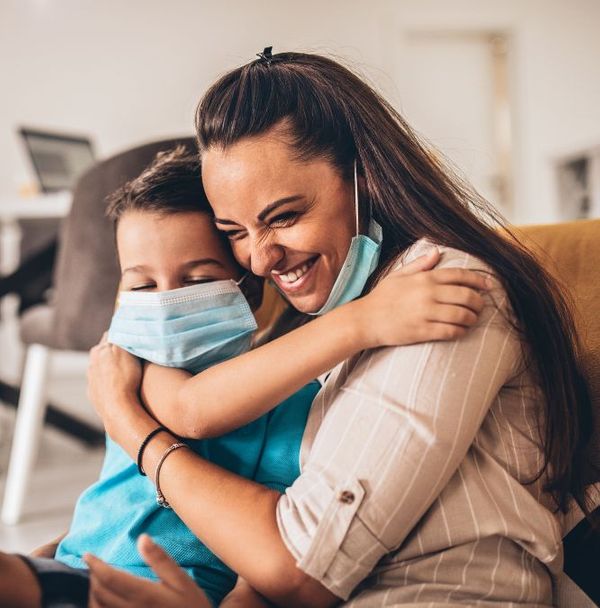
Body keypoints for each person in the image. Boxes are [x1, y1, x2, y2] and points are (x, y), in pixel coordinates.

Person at [80, 51, 595, 607]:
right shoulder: (336, 311)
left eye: (283, 217)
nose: (258, 260)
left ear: (364, 179)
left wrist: (133, 428)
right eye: (233, 231)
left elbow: (303, 572)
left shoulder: (441, 287)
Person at [0, 147, 487, 608]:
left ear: (249, 288)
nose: (166, 301)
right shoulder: (137, 369)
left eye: (196, 279)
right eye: (142, 284)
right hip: (76, 574)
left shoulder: (300, 404)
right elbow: (178, 425)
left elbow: (267, 550)